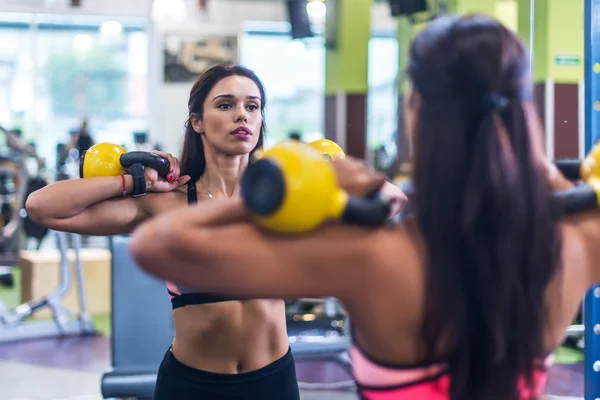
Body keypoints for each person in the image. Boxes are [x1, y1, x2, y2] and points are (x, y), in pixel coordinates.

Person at [128, 15, 600, 400]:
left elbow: (157, 246)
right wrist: (542, 167)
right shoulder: (576, 242)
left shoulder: (371, 257)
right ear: (522, 109)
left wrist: (273, 190)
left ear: (416, 110)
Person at [26, 64, 296, 400]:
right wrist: (132, 180)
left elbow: (382, 204)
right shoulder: (168, 204)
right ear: (197, 120)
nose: (242, 115)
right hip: (192, 386)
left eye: (252, 106)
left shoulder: (284, 202)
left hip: (273, 383)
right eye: (225, 105)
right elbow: (42, 206)